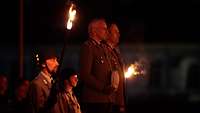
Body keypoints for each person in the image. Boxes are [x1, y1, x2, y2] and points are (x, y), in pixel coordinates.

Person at [79, 18, 116, 113]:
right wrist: (103, 88)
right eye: (104, 28)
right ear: (94, 30)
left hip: (106, 99)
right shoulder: (88, 47)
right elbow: (85, 74)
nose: (106, 31)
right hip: (95, 100)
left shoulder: (103, 48)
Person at [28, 48, 59, 113]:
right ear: (43, 64)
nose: (57, 63)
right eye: (53, 60)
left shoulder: (53, 81)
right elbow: (39, 110)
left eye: (56, 60)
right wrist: (50, 103)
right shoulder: (37, 84)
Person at [104, 23, 126, 113]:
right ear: (108, 34)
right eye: (116, 32)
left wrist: (121, 102)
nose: (119, 34)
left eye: (119, 32)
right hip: (109, 100)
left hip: (117, 101)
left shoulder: (115, 52)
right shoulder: (104, 50)